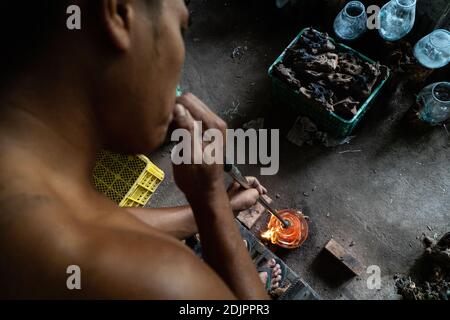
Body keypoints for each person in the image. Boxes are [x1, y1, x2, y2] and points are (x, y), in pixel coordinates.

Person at [0, 0, 281, 299]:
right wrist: (212, 199)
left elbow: (105, 221)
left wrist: (219, 204)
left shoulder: (33, 184)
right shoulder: (161, 279)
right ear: (120, 14)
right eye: (181, 28)